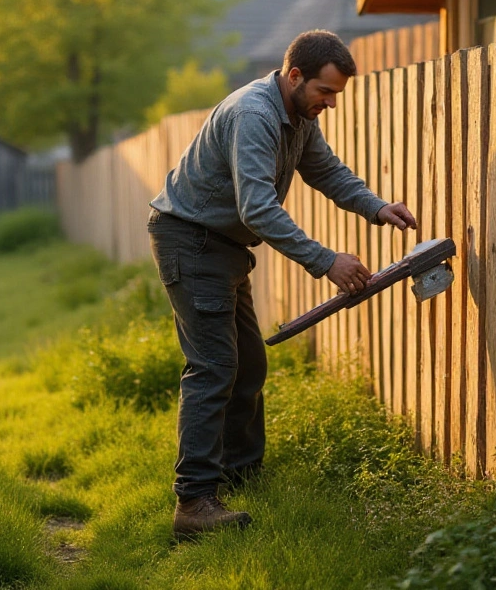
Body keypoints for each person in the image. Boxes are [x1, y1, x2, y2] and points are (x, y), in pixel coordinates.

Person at [147, 30, 416, 540]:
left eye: (336, 94)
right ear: (294, 76)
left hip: (221, 246)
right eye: (326, 91)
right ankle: (194, 503)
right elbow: (258, 208)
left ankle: (241, 478)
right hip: (192, 240)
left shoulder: (297, 116)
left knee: (248, 362)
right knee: (213, 367)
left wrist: (377, 207)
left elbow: (327, 172)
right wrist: (325, 261)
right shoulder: (256, 115)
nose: (330, 104)